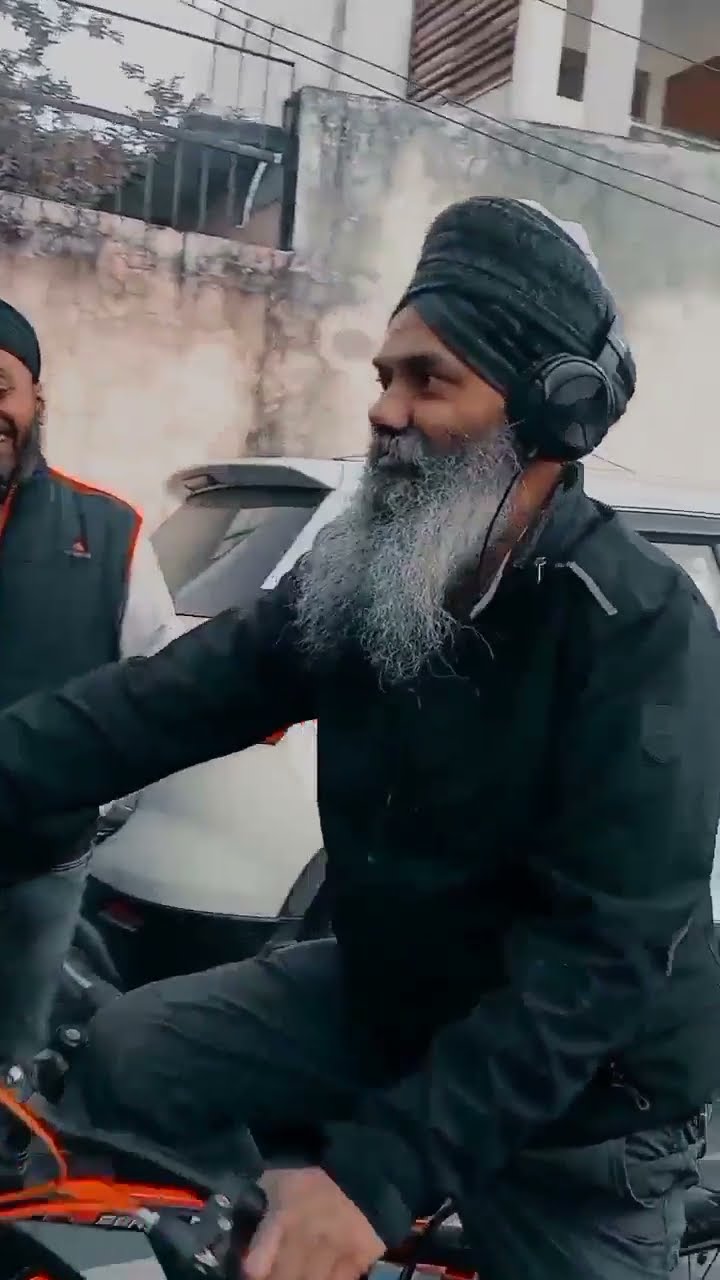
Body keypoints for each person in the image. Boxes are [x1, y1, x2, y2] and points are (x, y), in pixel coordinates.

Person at [0, 198, 718, 1280]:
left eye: (429, 380)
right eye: (383, 376)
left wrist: (375, 1178)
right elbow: (154, 704)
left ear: (549, 413)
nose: (385, 410)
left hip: (584, 1096)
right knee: (133, 1050)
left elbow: (598, 959)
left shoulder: (641, 627)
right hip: (395, 991)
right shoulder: (369, 572)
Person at [0, 297, 178, 1088]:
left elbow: (154, 685)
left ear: (35, 400)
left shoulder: (110, 533)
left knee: (15, 1057)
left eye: (0, 387)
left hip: (39, 871)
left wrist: (98, 805)